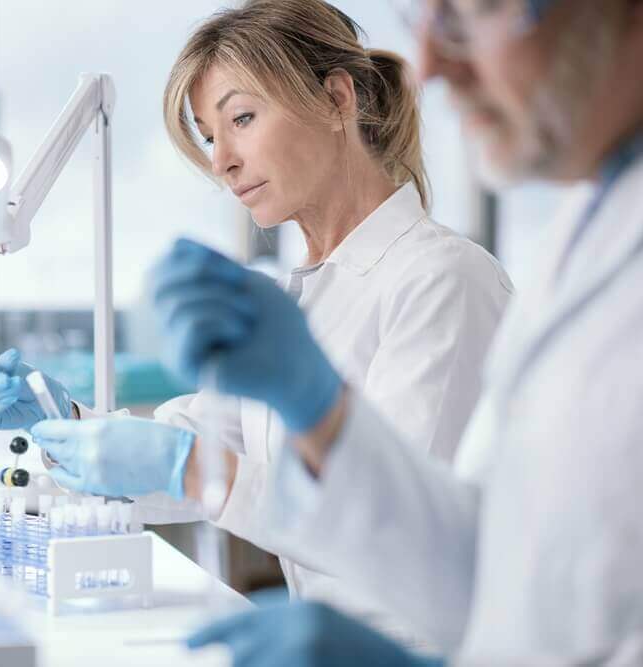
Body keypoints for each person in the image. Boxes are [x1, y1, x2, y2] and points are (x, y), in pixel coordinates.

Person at [0, 0, 511, 643]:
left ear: (336, 99)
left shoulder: (442, 281)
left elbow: (404, 530)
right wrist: (58, 420)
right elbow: (188, 449)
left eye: (241, 118)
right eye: (210, 136)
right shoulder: (306, 295)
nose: (221, 161)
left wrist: (189, 465)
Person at [151, 0, 643, 664]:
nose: (433, 66)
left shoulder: (449, 277)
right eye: (428, 21)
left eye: (479, 13)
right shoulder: (580, 244)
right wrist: (63, 423)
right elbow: (495, 566)